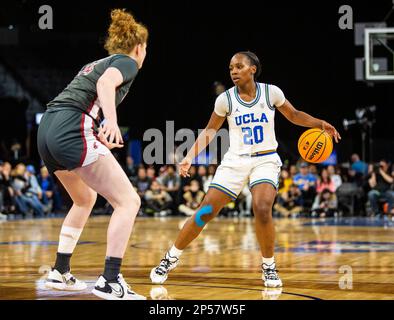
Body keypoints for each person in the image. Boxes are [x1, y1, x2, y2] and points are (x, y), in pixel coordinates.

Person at [150, 51, 340, 287]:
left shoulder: (271, 92)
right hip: (235, 161)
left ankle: (269, 266)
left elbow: (294, 115)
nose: (233, 71)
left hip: (266, 159)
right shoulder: (225, 100)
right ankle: (170, 258)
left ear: (253, 69)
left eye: (239, 66)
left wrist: (320, 123)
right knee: (204, 212)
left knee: (261, 207)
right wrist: (189, 157)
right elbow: (210, 131)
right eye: (231, 68)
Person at [36, 9, 148, 300]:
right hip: (71, 127)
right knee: (128, 201)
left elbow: (85, 99)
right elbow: (104, 86)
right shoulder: (127, 62)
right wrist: (111, 122)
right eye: (146, 49)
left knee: (85, 198)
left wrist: (99, 131)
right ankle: (110, 281)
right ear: (139, 47)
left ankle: (60, 271)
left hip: (47, 129)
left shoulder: (95, 62)